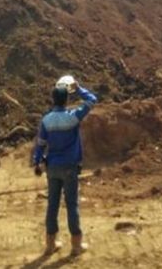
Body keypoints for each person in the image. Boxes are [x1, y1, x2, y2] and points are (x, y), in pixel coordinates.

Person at [31, 75, 98, 257]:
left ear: (53, 99)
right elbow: (93, 100)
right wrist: (79, 89)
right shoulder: (73, 117)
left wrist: (37, 161)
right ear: (67, 99)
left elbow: (41, 143)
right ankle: (76, 246)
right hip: (70, 167)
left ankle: (50, 245)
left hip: (52, 167)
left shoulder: (46, 120)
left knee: (52, 205)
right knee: (71, 205)